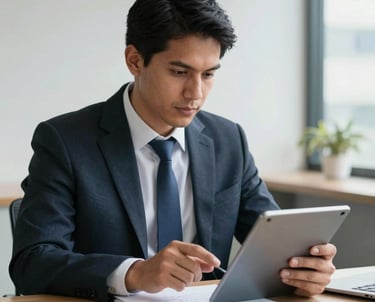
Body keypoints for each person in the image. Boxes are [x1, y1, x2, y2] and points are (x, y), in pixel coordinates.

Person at [9, 0, 336, 301]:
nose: (196, 93)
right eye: (180, 72)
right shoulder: (65, 140)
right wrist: (135, 273)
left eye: (208, 75)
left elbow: (275, 239)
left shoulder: (227, 139)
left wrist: (306, 269)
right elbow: (32, 263)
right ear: (135, 60)